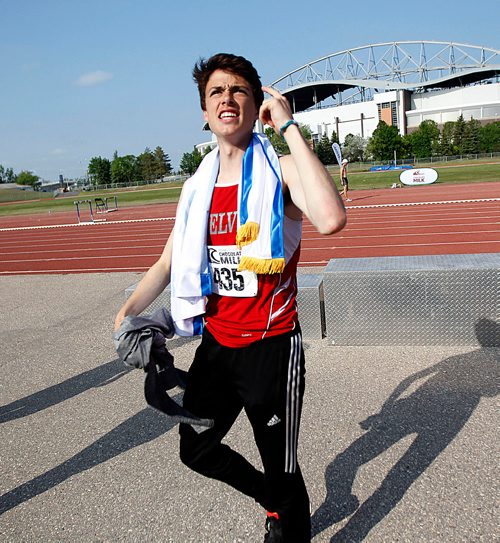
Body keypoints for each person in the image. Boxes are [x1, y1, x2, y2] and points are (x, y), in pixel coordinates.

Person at [114, 53, 346, 542]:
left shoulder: (278, 171)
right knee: (195, 449)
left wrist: (288, 127)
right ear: (204, 112)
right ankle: (276, 503)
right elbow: (167, 264)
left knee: (283, 469)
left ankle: (286, 517)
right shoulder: (197, 188)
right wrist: (126, 315)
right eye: (216, 92)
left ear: (255, 102)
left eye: (239, 90)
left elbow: (330, 219)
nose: (227, 99)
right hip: (216, 347)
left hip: (271, 345)